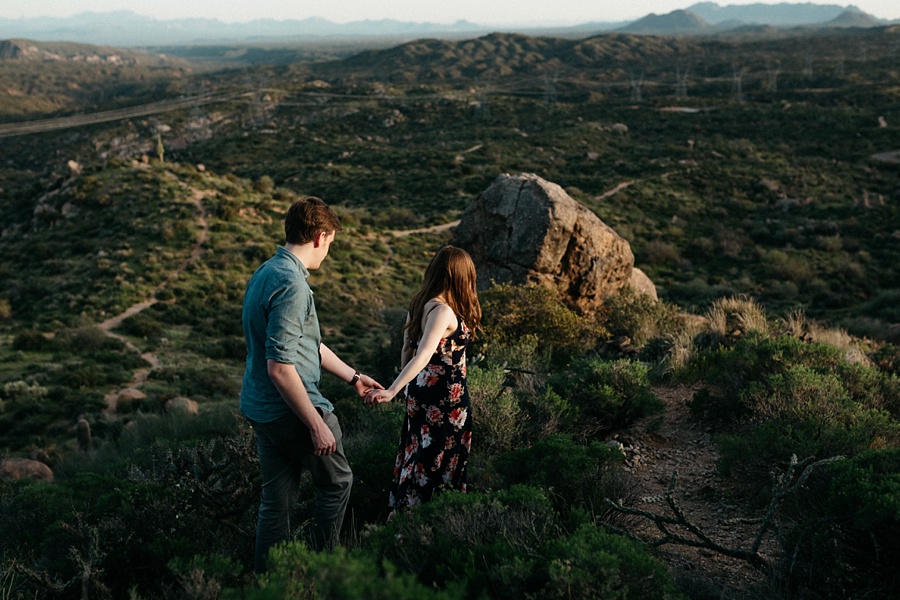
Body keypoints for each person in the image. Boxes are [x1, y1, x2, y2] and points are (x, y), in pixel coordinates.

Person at [240, 196, 382, 574]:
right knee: (338, 482)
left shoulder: (266, 272)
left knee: (276, 503)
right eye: (330, 242)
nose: (328, 251)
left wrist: (354, 377)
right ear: (320, 237)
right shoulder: (292, 285)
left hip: (260, 408)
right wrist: (316, 424)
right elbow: (280, 368)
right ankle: (320, 571)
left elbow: (307, 344)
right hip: (291, 408)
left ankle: (270, 582)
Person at [365, 246, 481, 517]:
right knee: (436, 463)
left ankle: (404, 517)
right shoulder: (443, 311)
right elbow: (424, 354)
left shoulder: (420, 304)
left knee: (417, 455)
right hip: (444, 402)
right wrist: (393, 390)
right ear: (460, 276)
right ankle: (427, 522)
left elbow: (407, 350)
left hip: (421, 394)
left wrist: (406, 387)